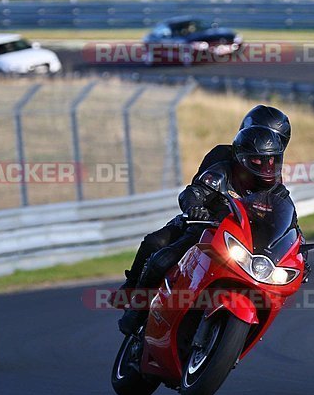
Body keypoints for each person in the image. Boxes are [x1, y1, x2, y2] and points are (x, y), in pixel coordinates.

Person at [118, 125, 294, 335]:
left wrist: (297, 251)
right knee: (159, 253)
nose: (268, 165)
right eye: (259, 160)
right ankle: (137, 309)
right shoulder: (222, 172)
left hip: (244, 245)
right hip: (202, 230)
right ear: (242, 158)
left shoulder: (278, 192)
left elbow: (290, 226)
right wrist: (195, 208)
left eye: (273, 159)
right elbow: (191, 193)